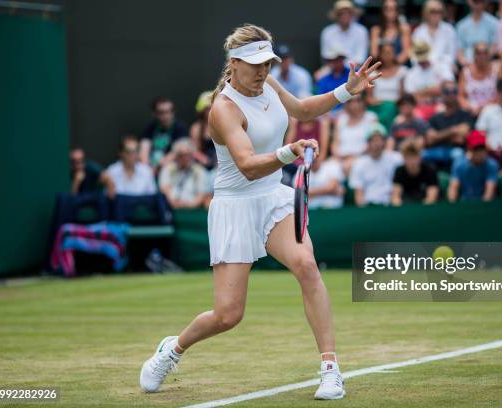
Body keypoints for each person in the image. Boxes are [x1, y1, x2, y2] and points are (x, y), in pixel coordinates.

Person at [138, 23, 381, 400]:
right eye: (255, 65)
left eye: (267, 63)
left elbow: (301, 108)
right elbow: (248, 165)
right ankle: (172, 350)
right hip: (234, 207)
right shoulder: (223, 108)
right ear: (233, 64)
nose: (263, 71)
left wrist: (346, 90)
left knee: (306, 264)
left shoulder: (268, 84)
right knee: (227, 316)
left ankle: (330, 369)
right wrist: (290, 151)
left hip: (273, 198)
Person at [423, 81, 474, 169]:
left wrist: (438, 136)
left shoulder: (465, 114)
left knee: (458, 154)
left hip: (457, 151)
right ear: (442, 94)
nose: (451, 95)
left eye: (454, 91)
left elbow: (463, 134)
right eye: (447, 92)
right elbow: (430, 139)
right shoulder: (435, 118)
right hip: (436, 151)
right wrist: (453, 131)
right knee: (422, 155)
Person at [349, 123, 403, 206]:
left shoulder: (397, 159)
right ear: (368, 143)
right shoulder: (359, 163)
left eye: (379, 139)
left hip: (391, 206)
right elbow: (359, 195)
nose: (377, 143)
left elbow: (399, 188)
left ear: (384, 141)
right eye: (373, 140)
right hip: (369, 207)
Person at [403, 42, 454, 120]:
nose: (422, 60)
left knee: (443, 111)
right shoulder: (411, 74)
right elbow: (413, 97)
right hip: (421, 106)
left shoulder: (441, 66)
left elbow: (449, 87)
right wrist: (435, 90)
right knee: (415, 115)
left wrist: (422, 92)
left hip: (441, 104)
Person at [158, 139, 212, 209]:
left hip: (192, 211)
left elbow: (202, 194)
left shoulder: (200, 171)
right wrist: (173, 202)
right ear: (176, 155)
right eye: (182, 155)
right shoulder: (167, 169)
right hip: (170, 208)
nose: (185, 158)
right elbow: (164, 189)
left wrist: (190, 205)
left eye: (188, 155)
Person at [331, 93, 378, 171]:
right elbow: (335, 143)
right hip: (341, 158)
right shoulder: (341, 119)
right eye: (350, 101)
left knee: (352, 167)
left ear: (363, 102)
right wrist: (338, 157)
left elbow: (373, 142)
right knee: (329, 168)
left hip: (363, 157)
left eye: (358, 100)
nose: (354, 104)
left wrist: (354, 157)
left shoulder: (371, 118)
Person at [365, 41, 408, 129]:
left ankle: (379, 128)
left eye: (389, 52)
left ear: (394, 54)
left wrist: (391, 104)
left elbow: (402, 96)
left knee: (390, 107)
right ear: (380, 55)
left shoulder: (402, 71)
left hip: (395, 106)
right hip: (377, 107)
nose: (387, 55)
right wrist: (386, 102)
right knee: (387, 107)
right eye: (384, 53)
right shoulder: (373, 74)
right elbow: (369, 99)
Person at [447, 130, 499, 202]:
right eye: (476, 149)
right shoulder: (459, 164)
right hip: (464, 206)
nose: (480, 152)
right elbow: (453, 189)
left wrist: (480, 210)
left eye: (482, 148)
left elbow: (489, 193)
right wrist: (453, 208)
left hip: (485, 207)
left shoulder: (492, 165)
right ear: (469, 149)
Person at [140, 97, 189, 169]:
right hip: (151, 165)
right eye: (161, 112)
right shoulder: (150, 127)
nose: (165, 116)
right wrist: (146, 167)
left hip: (171, 166)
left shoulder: (180, 127)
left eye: (169, 111)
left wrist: (158, 166)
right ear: (155, 114)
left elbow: (177, 152)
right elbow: (144, 149)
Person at [412, 0, 458, 72]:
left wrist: (434, 64)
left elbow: (451, 56)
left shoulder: (449, 30)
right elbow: (415, 57)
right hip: (423, 71)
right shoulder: (418, 32)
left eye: (440, 11)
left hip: (444, 70)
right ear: (425, 13)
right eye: (433, 11)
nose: (437, 14)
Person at [458, 42, 502, 116]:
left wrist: (484, 107)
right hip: (471, 111)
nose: (482, 56)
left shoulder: (497, 70)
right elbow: (461, 96)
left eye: (485, 53)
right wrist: (470, 108)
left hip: (493, 111)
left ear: (489, 54)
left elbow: (501, 94)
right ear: (474, 55)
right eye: (479, 53)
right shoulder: (466, 72)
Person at [391, 138, 439, 205]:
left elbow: (431, 197)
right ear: (403, 158)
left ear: (420, 157)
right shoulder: (399, 171)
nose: (412, 161)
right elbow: (395, 197)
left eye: (414, 156)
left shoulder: (429, 170)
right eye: (408, 157)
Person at [320, 0, 368, 67]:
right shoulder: (327, 32)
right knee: (319, 75)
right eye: (341, 13)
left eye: (348, 13)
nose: (345, 16)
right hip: (333, 69)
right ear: (336, 15)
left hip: (355, 69)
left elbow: (360, 58)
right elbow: (326, 56)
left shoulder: (361, 31)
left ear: (353, 14)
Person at [456, 0, 500, 66]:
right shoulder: (461, 25)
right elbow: (459, 51)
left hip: (488, 64)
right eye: (475, 1)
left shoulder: (495, 23)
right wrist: (465, 63)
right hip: (467, 65)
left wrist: (482, 60)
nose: (477, 2)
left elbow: (495, 46)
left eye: (480, 1)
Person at [369, 0, 412, 65]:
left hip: (399, 67)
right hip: (381, 67)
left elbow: (406, 52)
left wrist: (392, 65)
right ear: (382, 11)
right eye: (386, 9)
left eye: (392, 9)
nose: (389, 12)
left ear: (397, 11)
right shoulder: (375, 30)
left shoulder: (404, 29)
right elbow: (374, 53)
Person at [316, 46, 351, 116]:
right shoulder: (323, 80)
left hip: (349, 112)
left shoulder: (353, 73)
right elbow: (321, 101)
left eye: (339, 59)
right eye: (334, 59)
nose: (337, 62)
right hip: (328, 114)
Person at [189, 91, 217, 171]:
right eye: (208, 108)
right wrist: (204, 160)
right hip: (203, 166)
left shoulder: (223, 125)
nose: (211, 111)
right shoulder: (196, 128)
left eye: (213, 107)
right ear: (202, 110)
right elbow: (194, 151)